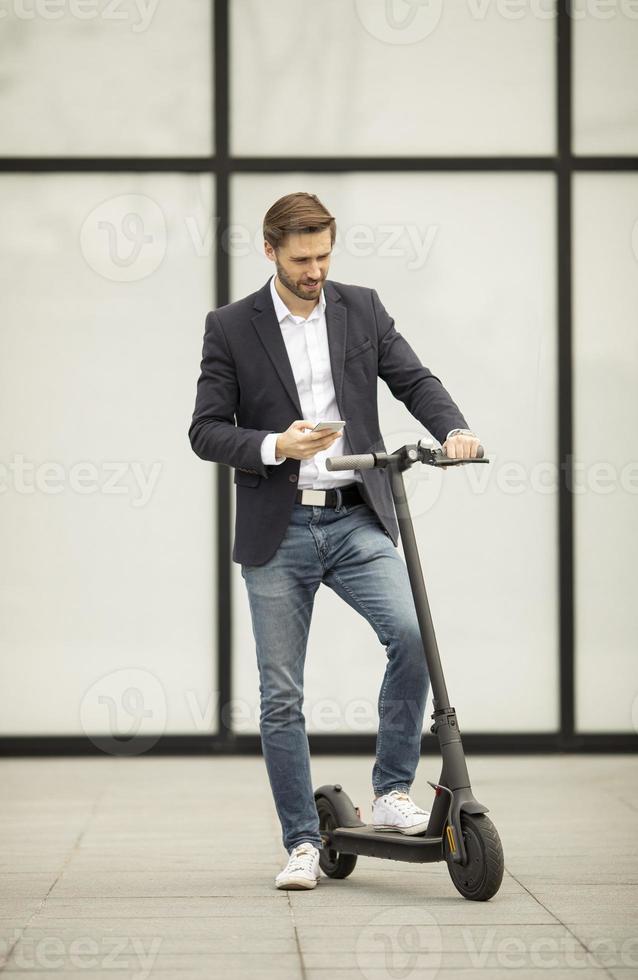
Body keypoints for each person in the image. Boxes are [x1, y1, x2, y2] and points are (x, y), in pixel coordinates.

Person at [188, 192, 480, 891]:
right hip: (277, 525)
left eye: (323, 255)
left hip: (355, 514)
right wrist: (273, 443)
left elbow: (413, 378)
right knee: (281, 694)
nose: (315, 270)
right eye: (301, 259)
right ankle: (299, 843)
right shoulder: (230, 326)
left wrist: (454, 430)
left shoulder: (362, 307)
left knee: (412, 635)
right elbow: (205, 429)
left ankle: (391, 789)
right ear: (270, 252)